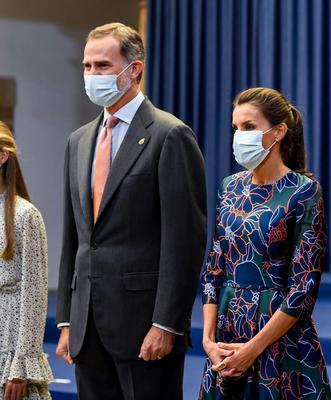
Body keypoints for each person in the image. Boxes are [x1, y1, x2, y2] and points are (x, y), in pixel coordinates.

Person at [55, 22, 207, 400]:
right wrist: (66, 319)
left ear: (133, 69)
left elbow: (184, 241)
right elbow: (74, 237)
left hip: (145, 328)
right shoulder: (78, 140)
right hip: (87, 328)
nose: (92, 75)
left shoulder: (170, 135)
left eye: (103, 66)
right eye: (87, 66)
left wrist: (167, 323)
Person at [199, 87, 331, 399]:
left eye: (249, 127)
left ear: (279, 132)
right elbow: (214, 268)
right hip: (227, 329)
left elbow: (303, 287)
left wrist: (252, 349)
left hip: (278, 338)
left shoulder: (304, 192)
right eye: (236, 128)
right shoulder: (228, 187)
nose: (239, 136)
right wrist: (207, 339)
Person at [0, 121, 53, 400]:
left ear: (2, 156)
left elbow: (33, 296)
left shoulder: (25, 216)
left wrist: (20, 368)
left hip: (9, 344)